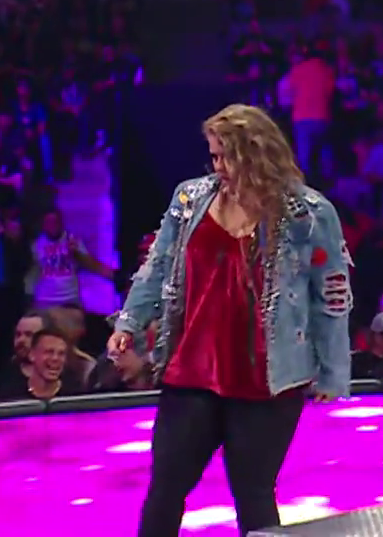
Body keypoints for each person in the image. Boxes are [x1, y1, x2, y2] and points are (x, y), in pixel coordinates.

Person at [110, 103, 353, 537]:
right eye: (214, 156)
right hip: (192, 370)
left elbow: (331, 295)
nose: (218, 167)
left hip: (269, 377)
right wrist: (128, 323)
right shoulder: (189, 200)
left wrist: (333, 372)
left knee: (254, 492)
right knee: (165, 487)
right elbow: (157, 266)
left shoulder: (309, 212)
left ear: (255, 154)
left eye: (226, 157)